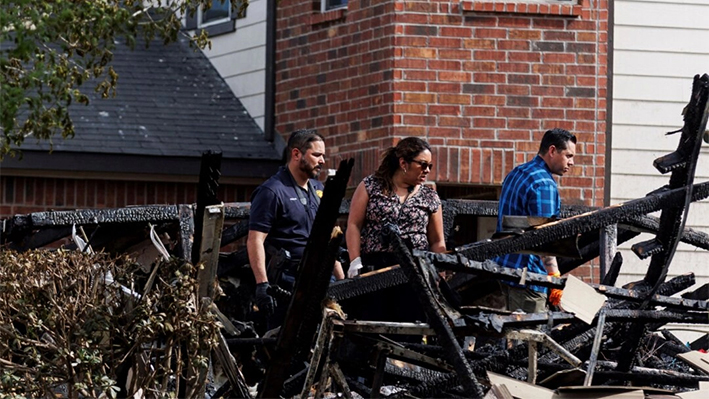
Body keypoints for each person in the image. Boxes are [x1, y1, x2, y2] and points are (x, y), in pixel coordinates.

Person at [247, 129, 344, 327]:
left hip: (321, 278)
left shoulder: (319, 190)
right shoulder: (272, 191)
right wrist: (262, 285)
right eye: (316, 155)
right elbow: (255, 239)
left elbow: (329, 238)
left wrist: (342, 281)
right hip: (288, 281)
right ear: (296, 154)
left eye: (323, 155)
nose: (322, 161)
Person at [345, 137, 446, 323]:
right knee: (372, 326)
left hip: (414, 271)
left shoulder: (429, 197)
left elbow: (437, 241)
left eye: (430, 166)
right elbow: (354, 225)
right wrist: (355, 261)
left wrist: (439, 272)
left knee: (410, 329)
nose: (427, 171)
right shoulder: (371, 186)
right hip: (375, 269)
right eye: (423, 165)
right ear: (403, 163)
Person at [494, 128, 576, 313]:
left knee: (514, 335)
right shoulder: (544, 184)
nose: (572, 162)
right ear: (552, 151)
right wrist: (554, 277)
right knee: (531, 337)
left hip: (506, 269)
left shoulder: (518, 172)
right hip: (529, 278)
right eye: (568, 155)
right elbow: (544, 238)